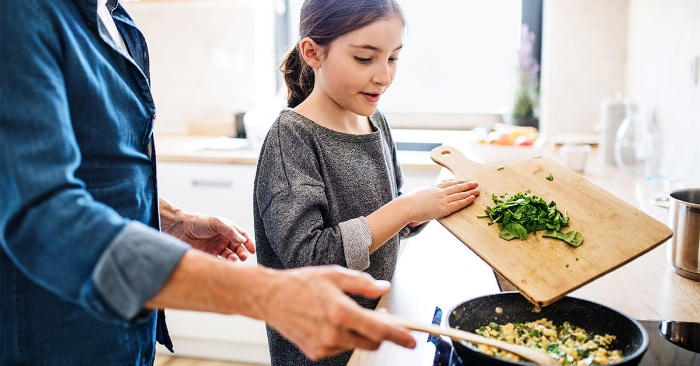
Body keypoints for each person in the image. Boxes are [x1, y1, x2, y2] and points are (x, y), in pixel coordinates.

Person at [0, 0, 417, 364]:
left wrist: (161, 219)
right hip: (51, 333)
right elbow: (43, 214)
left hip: (126, 331)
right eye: (366, 57)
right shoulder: (22, 14)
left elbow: (92, 174)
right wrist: (264, 293)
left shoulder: (115, 19)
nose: (383, 74)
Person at [253, 0, 481, 364]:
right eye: (365, 58)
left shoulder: (376, 122)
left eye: (393, 58)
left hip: (374, 324)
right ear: (313, 52)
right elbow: (308, 257)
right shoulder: (292, 138)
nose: (384, 77)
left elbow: (391, 219)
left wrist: (422, 210)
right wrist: (407, 207)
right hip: (319, 346)